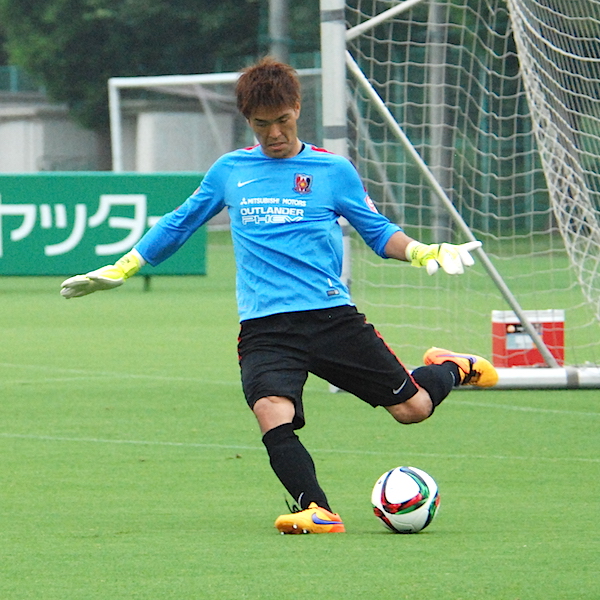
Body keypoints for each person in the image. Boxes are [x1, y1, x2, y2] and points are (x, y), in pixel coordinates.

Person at [60, 57, 498, 534]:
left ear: (298, 109)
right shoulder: (231, 171)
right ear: (248, 121)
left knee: (413, 410)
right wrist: (125, 266)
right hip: (265, 327)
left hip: (330, 317)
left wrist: (420, 251)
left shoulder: (332, 170)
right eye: (261, 124)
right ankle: (316, 509)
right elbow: (179, 223)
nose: (273, 134)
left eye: (282, 121)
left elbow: (377, 231)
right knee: (271, 409)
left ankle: (452, 367)